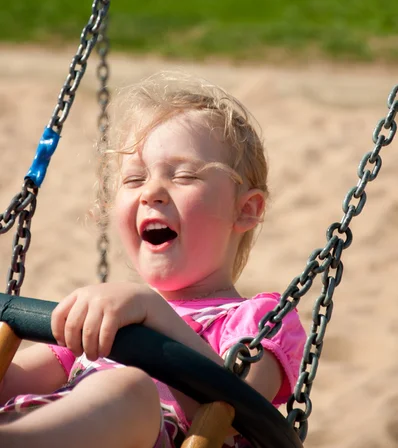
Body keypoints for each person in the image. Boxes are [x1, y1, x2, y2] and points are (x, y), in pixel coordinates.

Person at [0, 71, 306, 448]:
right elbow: (12, 380)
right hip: (40, 429)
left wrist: (152, 312)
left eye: (185, 175)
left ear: (245, 210)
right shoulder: (110, 316)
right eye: (133, 180)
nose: (152, 192)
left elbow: (237, 406)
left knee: (131, 388)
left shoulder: (261, 322)